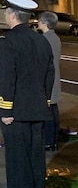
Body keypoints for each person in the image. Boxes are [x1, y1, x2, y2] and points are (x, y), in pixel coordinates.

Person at [0, 0, 54, 188]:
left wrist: (6, 110)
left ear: (12, 15)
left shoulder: (7, 42)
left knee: (18, 163)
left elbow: (7, 78)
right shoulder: (42, 41)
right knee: (36, 163)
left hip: (17, 113)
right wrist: (45, 102)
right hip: (38, 110)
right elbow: (50, 76)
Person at [36, 11, 61, 151]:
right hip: (54, 78)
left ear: (45, 22)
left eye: (39, 20)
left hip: (48, 79)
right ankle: (53, 141)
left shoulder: (45, 39)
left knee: (48, 112)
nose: (37, 22)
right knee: (53, 109)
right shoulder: (54, 37)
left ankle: (48, 141)